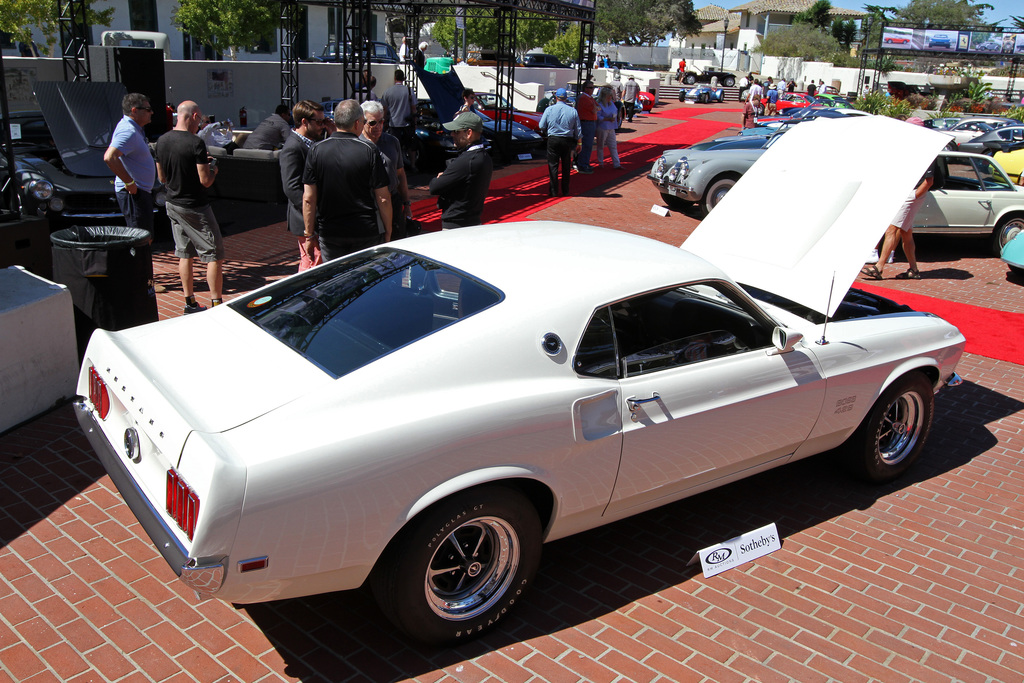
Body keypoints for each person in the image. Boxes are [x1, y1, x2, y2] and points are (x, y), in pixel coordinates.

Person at [156, 101, 224, 314]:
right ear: (193, 116)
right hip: (195, 206)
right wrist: (213, 170)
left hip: (172, 202)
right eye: (200, 119)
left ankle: (190, 303)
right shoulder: (195, 143)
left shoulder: (162, 140)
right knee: (214, 253)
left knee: (184, 253)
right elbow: (205, 180)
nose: (200, 124)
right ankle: (217, 305)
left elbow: (162, 177)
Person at [302, 100, 392, 261]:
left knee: (335, 280)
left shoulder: (316, 150)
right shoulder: (369, 150)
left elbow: (309, 198)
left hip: (330, 232)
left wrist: (309, 235)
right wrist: (388, 229)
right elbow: (383, 197)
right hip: (364, 230)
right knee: (365, 279)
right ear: (357, 123)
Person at [863, 130, 935, 281]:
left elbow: (929, 181)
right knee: (906, 233)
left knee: (891, 228)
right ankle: (913, 269)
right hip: (907, 193)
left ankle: (879, 267)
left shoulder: (929, 153)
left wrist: (914, 196)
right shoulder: (913, 152)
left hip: (913, 194)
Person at [279, 99, 332, 271]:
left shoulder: (313, 142)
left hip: (315, 216)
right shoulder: (293, 148)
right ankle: (306, 297)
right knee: (313, 264)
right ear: (304, 122)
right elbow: (291, 188)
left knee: (315, 262)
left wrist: (332, 133)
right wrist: (313, 213)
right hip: (306, 219)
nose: (322, 126)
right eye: (319, 122)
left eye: (324, 121)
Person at [428, 112, 493, 229]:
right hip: (471, 222)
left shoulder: (467, 161)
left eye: (456, 131)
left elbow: (434, 187)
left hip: (456, 226)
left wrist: (440, 178)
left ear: (469, 133)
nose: (452, 134)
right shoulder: (484, 157)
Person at [104, 92, 157, 233]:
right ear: (134, 110)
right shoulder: (128, 131)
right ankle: (137, 256)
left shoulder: (134, 129)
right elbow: (110, 157)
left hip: (140, 192)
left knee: (145, 236)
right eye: (147, 109)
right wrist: (129, 182)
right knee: (139, 237)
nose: (151, 112)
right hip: (134, 193)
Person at [362, 100, 411, 240]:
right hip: (369, 205)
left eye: (381, 121)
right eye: (372, 123)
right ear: (362, 122)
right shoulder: (356, 144)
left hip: (393, 201)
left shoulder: (392, 141)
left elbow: (400, 174)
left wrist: (406, 203)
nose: (377, 127)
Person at [538, 88, 582, 197]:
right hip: (567, 139)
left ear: (556, 97)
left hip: (553, 138)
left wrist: (547, 130)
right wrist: (579, 143)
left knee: (553, 165)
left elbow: (541, 125)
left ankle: (553, 190)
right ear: (566, 98)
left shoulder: (549, 110)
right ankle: (565, 190)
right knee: (566, 165)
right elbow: (578, 129)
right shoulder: (572, 111)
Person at [380, 69, 418, 170]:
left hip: (394, 123)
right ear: (404, 78)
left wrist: (384, 121)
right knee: (411, 145)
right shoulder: (409, 90)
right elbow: (414, 108)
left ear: (394, 78)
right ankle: (413, 165)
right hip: (407, 124)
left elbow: (384, 109)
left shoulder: (388, 92)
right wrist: (415, 122)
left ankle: (395, 166)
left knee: (394, 147)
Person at [595, 86, 621, 169]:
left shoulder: (611, 104)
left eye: (611, 96)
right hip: (603, 127)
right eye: (609, 96)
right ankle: (600, 162)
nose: (610, 97)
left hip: (611, 127)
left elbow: (615, 111)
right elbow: (598, 117)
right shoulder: (600, 104)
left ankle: (617, 164)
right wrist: (607, 118)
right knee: (600, 145)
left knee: (613, 145)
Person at [575, 79, 598, 174]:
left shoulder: (590, 98)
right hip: (586, 123)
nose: (592, 89)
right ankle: (582, 164)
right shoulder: (584, 98)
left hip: (590, 122)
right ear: (585, 88)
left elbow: (598, 107)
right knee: (586, 144)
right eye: (590, 87)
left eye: (593, 87)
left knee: (588, 144)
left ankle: (585, 163)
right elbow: (594, 109)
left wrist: (596, 109)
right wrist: (596, 109)